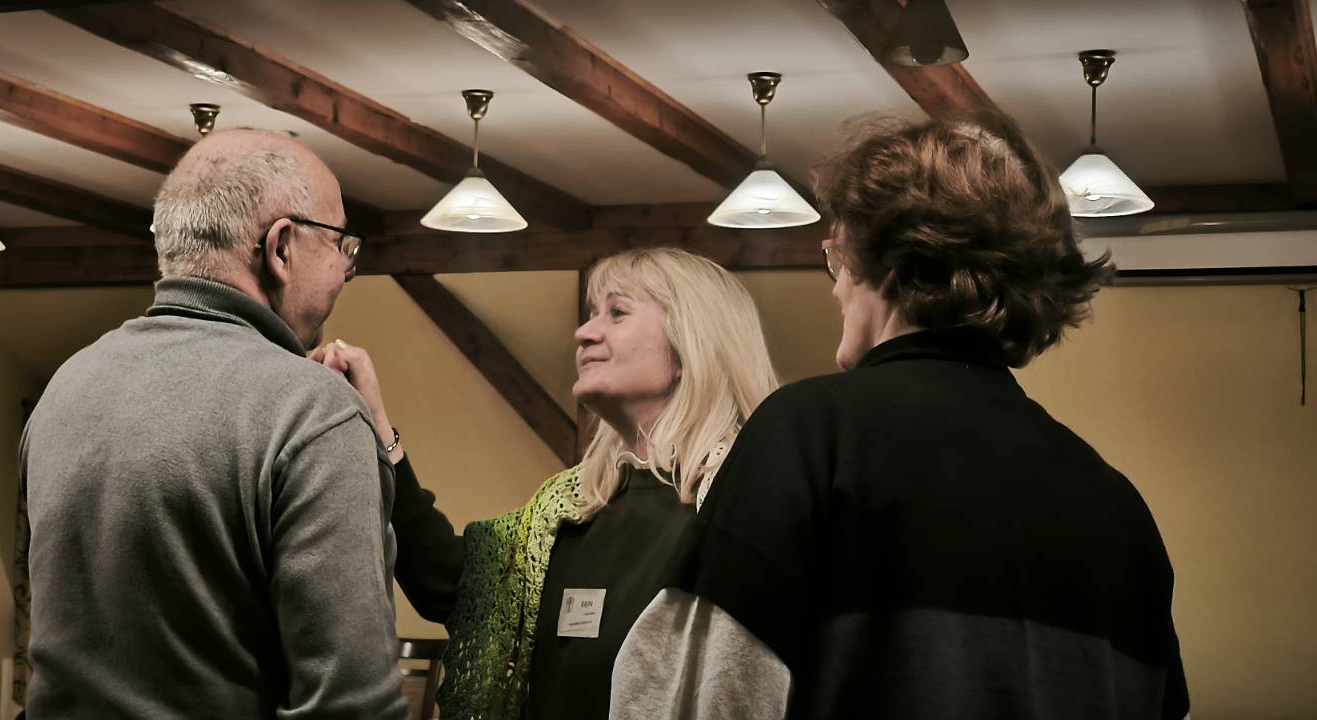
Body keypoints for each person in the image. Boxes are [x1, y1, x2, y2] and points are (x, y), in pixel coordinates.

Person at [613, 113, 1190, 719]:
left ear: (885, 261)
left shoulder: (811, 433)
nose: (836, 288)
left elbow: (710, 697)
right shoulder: (1118, 507)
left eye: (837, 258)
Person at [20, 129, 409, 719]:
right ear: (281, 248)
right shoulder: (312, 412)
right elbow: (353, 706)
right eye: (340, 245)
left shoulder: (66, 386)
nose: (347, 270)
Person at [312, 248, 779, 720]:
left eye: (617, 312)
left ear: (689, 346)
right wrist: (376, 425)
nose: (584, 332)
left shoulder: (743, 509)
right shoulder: (567, 510)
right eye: (592, 314)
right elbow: (446, 583)